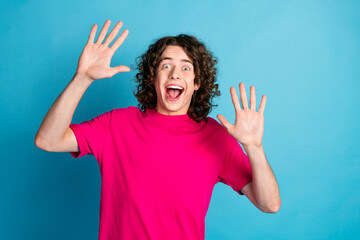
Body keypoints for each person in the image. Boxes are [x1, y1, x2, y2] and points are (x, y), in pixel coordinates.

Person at [35, 19, 281, 240]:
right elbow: (48, 140)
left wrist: (254, 147)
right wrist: (83, 78)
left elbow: (269, 204)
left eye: (186, 67)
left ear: (196, 83)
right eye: (166, 66)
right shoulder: (116, 124)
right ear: (153, 77)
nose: (175, 73)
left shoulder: (215, 136)